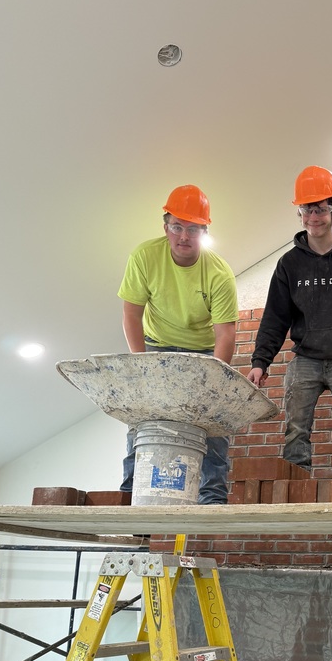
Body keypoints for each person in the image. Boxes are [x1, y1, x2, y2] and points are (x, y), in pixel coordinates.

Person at [247, 166, 332, 494]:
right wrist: (259, 362)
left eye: (321, 208)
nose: (314, 215)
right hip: (305, 359)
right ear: (300, 213)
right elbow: (275, 319)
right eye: (307, 208)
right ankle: (295, 498)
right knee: (295, 434)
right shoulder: (289, 264)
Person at [118, 184, 238, 504]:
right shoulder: (145, 257)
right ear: (165, 226)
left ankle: (211, 497)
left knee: (213, 418)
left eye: (194, 229)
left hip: (203, 351)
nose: (184, 236)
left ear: (204, 230)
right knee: (142, 417)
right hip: (157, 345)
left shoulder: (219, 274)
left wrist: (215, 380)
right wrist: (141, 366)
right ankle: (134, 492)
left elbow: (225, 333)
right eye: (177, 227)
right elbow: (131, 314)